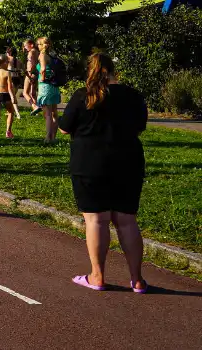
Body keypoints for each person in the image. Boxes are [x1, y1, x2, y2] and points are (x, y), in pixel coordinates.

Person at [59, 53, 149, 293]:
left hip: (89, 163)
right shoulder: (133, 96)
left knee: (96, 220)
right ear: (113, 71)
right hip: (128, 162)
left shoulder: (83, 95)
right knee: (127, 221)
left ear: (91, 71)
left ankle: (97, 276)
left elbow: (64, 128)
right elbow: (140, 127)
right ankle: (137, 279)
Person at [36, 36, 61, 144]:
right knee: (54, 113)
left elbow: (42, 69)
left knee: (47, 114)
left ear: (41, 45)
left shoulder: (42, 55)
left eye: (38, 44)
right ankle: (54, 137)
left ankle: (47, 137)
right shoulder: (52, 55)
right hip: (54, 85)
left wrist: (41, 78)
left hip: (45, 86)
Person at [0, 54, 18, 142]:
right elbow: (10, 87)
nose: (8, 63)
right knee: (10, 112)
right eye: (8, 62)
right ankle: (8, 131)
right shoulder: (7, 72)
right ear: (4, 62)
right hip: (5, 95)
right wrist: (13, 98)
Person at [23, 38, 40, 114]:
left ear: (31, 45)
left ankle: (34, 106)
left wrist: (29, 73)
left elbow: (32, 64)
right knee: (33, 93)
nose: (25, 47)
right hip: (36, 73)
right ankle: (37, 109)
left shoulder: (31, 52)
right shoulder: (37, 51)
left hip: (31, 73)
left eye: (26, 45)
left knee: (25, 93)